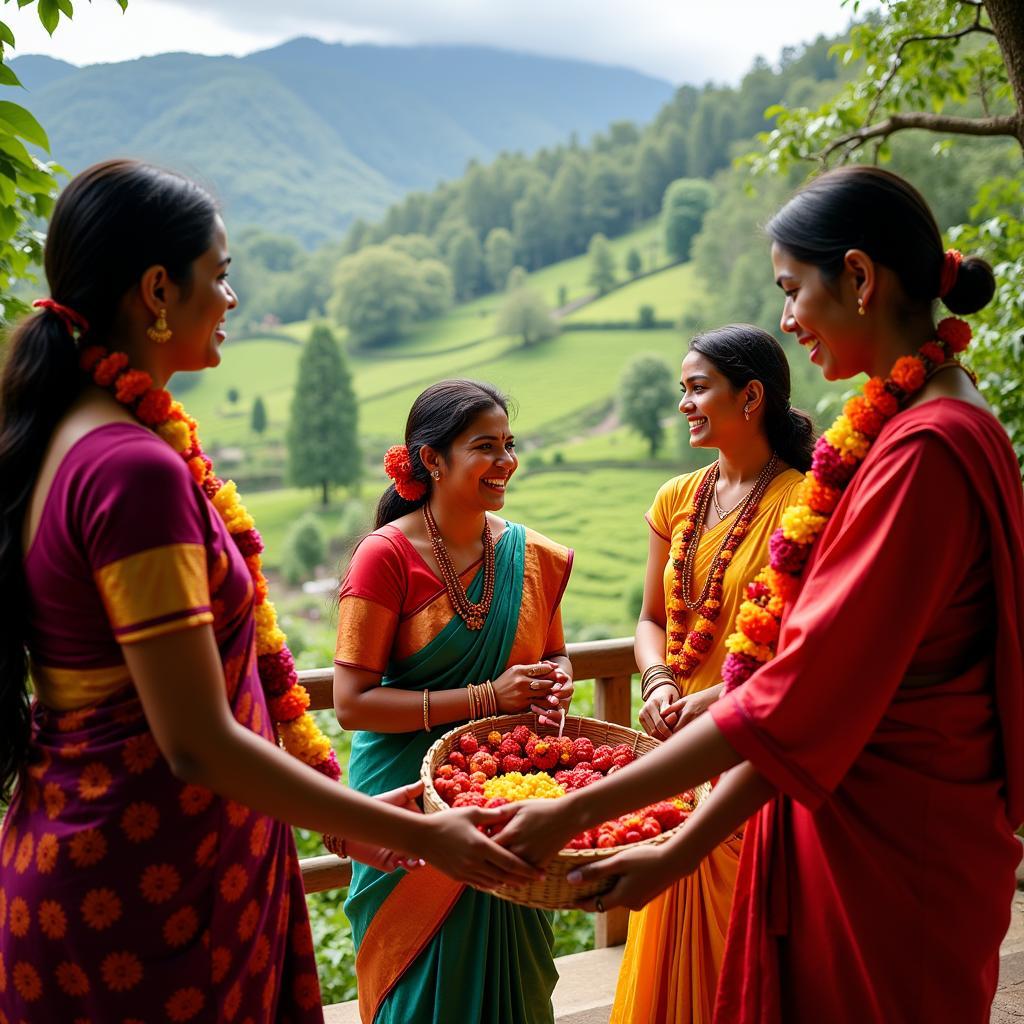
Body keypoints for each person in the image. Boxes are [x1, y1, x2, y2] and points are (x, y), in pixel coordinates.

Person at [0, 160, 535, 1024]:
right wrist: (417, 834)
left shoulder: (86, 438)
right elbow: (198, 743)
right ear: (157, 290)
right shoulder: (131, 468)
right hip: (144, 898)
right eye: (221, 275)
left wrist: (346, 817)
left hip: (141, 866)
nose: (233, 299)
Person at [496, 165, 1023, 1024]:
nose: (786, 321)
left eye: (791, 289)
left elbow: (796, 697)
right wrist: (680, 835)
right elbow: (798, 701)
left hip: (893, 844)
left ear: (858, 277)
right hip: (836, 798)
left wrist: (588, 808)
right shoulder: (918, 424)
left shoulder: (925, 451)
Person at [333, 378, 574, 1024]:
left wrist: (557, 681)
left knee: (514, 984)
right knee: (418, 993)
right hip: (408, 804)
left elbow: (552, 652)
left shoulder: (531, 555)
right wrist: (484, 695)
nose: (505, 462)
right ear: (431, 460)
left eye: (508, 445)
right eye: (485, 447)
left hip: (500, 793)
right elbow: (352, 703)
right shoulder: (384, 558)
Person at [612, 325, 809, 1024]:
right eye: (682, 390)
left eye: (698, 388)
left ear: (750, 396)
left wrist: (718, 700)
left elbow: (805, 651)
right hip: (677, 744)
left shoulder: (804, 503)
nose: (684, 404)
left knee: (738, 947)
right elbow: (649, 618)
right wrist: (660, 680)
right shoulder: (674, 499)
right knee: (665, 933)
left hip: (751, 744)